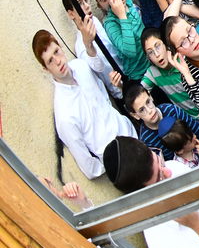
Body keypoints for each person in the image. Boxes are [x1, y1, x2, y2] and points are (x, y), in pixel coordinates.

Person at [36, 30, 134, 179]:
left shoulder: (81, 66)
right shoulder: (64, 113)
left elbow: (102, 93)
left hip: (131, 132)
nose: (57, 61)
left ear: (61, 46)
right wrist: (110, 165)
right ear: (45, 69)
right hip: (121, 164)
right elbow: (88, 166)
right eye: (50, 60)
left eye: (56, 52)